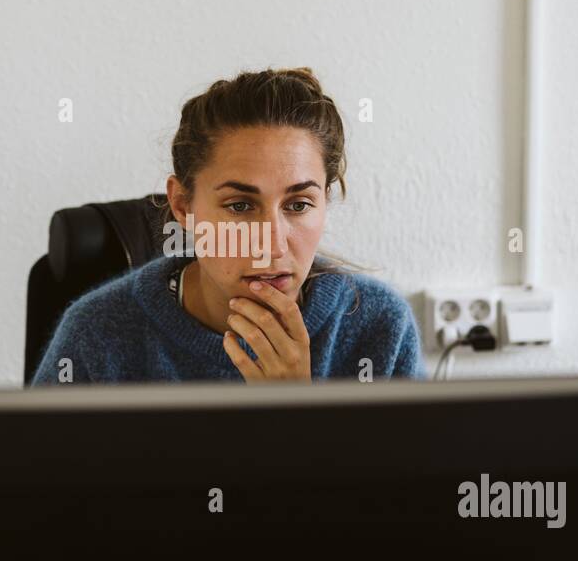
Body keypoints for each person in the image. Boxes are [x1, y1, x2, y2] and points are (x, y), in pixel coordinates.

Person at [30, 67, 425, 384]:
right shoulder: (97, 336)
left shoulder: (378, 328)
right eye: (240, 206)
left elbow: (407, 485)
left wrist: (297, 419)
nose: (271, 245)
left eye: (299, 204)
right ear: (184, 206)